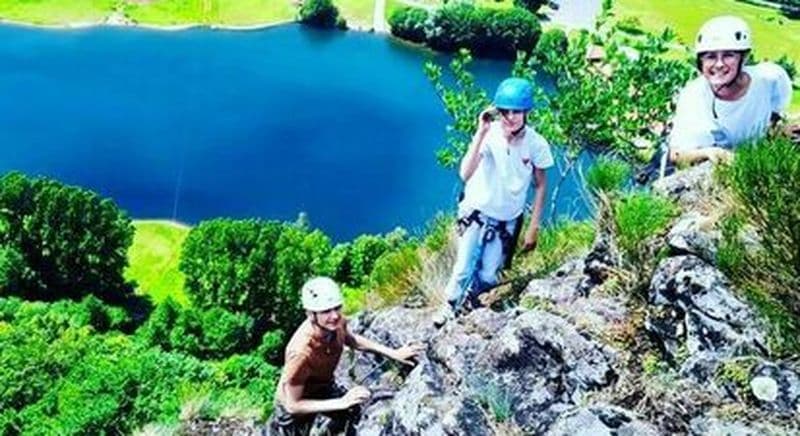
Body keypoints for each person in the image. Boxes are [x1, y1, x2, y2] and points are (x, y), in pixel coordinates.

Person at [433, 77, 554, 327]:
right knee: (463, 265)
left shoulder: (536, 144)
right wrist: (481, 132)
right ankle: (449, 305)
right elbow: (465, 173)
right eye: (505, 111)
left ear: (526, 112)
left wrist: (533, 226)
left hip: (507, 218)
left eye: (516, 111)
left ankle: (472, 301)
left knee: (489, 273)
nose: (510, 117)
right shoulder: (489, 137)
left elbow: (541, 185)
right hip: (476, 210)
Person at [267, 276, 424, 436]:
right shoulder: (301, 353)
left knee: (352, 410)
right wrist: (341, 402)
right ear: (311, 314)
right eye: (326, 311)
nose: (334, 315)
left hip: (322, 387)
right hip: (294, 406)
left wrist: (393, 353)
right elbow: (292, 405)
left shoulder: (336, 323)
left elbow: (351, 339)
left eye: (337, 307)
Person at [668, 15, 793, 166]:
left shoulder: (770, 78)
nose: (719, 64)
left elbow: (775, 112)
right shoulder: (694, 97)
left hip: (757, 160)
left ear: (744, 58)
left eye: (728, 55)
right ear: (701, 61)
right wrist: (709, 153)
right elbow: (677, 154)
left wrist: (778, 131)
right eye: (710, 57)